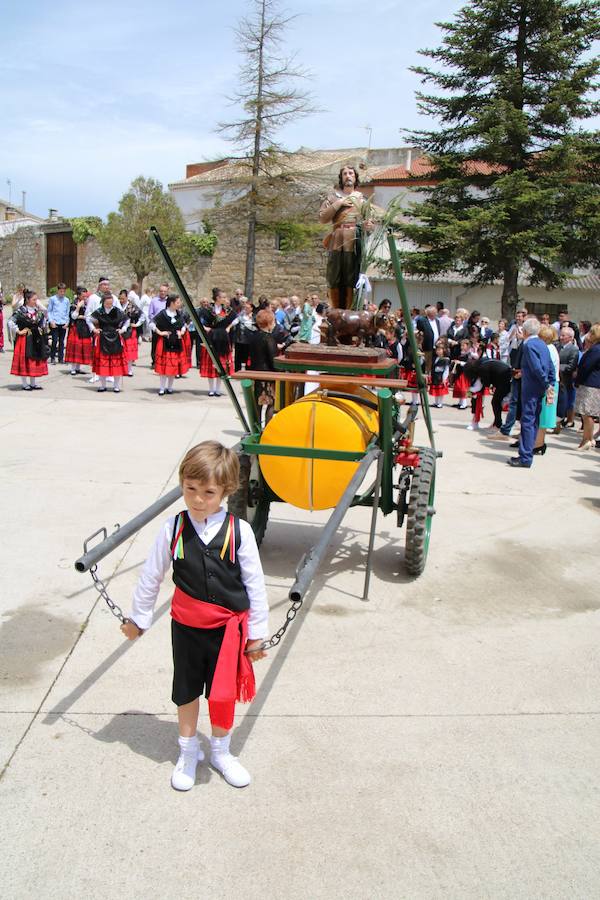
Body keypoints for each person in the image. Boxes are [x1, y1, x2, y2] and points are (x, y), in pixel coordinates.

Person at [121, 441, 268, 791]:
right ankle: (187, 750)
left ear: (226, 491)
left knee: (222, 694)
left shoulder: (240, 531)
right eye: (190, 489)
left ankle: (221, 750)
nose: (198, 499)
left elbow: (255, 586)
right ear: (182, 484)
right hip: (186, 629)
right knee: (185, 690)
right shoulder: (172, 529)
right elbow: (151, 577)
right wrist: (138, 619)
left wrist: (257, 634)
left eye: (208, 492)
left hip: (227, 632)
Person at [319, 165, 373, 309]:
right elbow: (323, 218)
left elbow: (370, 223)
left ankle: (349, 309)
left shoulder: (362, 200)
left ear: (355, 178)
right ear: (341, 178)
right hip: (337, 239)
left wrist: (369, 227)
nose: (348, 176)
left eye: (351, 173)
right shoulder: (332, 198)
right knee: (334, 274)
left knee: (351, 275)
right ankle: (335, 308)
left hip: (353, 240)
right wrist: (339, 203)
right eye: (345, 174)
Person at [508, 318, 554, 468]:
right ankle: (528, 451)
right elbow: (549, 366)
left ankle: (525, 457)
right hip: (539, 387)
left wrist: (546, 383)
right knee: (533, 421)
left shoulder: (529, 345)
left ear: (525, 331)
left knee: (527, 421)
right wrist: (550, 384)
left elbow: (536, 367)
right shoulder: (542, 344)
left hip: (532, 388)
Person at [90, 291, 130, 393]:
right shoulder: (99, 311)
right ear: (103, 302)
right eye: (107, 303)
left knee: (116, 363)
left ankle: (116, 386)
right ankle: (103, 386)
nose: (109, 305)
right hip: (103, 338)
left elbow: (127, 320)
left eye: (111, 303)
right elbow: (89, 319)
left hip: (115, 338)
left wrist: (123, 329)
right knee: (103, 363)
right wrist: (94, 329)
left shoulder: (117, 311)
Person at [200, 288, 237, 397]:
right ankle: (211, 389)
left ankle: (218, 389)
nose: (225, 299)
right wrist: (205, 328)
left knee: (222, 363)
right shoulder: (208, 309)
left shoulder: (227, 310)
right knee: (211, 362)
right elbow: (197, 319)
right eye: (223, 297)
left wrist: (229, 327)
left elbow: (236, 319)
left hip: (223, 338)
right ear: (217, 298)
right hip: (211, 337)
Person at [10, 290, 49, 390]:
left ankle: (33, 383)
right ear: (27, 300)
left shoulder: (38, 311)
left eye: (37, 299)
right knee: (25, 360)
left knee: (34, 359)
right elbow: (10, 322)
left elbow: (44, 318)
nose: (36, 301)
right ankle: (24, 384)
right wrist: (18, 331)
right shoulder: (21, 311)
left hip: (36, 338)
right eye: (34, 299)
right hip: (25, 339)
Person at [152, 294, 190, 395]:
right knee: (164, 366)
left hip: (177, 342)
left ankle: (170, 387)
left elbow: (183, 325)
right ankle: (162, 387)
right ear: (172, 303)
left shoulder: (179, 314)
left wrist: (181, 332)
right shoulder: (163, 314)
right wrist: (160, 332)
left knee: (173, 365)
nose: (179, 304)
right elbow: (151, 323)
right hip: (165, 342)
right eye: (178, 302)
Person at [248, 308, 278, 425]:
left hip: (255, 374)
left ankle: (255, 429)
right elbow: (272, 359)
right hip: (267, 375)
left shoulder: (253, 336)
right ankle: (267, 429)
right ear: (269, 323)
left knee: (257, 404)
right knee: (271, 403)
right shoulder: (269, 338)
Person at [532, 325, 559, 454]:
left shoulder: (548, 349)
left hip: (548, 384)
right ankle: (538, 442)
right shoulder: (551, 348)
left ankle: (539, 444)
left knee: (543, 416)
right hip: (550, 384)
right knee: (542, 415)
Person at [573, 323, 600, 451]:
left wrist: (578, 379)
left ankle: (587, 439)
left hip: (590, 384)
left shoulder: (596, 349)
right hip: (591, 383)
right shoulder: (595, 348)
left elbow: (586, 366)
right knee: (586, 413)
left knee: (587, 413)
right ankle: (588, 438)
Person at [555, 326, 579, 431]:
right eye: (561, 335)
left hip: (565, 380)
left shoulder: (574, 350)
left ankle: (559, 423)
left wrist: (558, 367)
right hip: (556, 378)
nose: (561, 337)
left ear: (570, 337)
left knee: (562, 402)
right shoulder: (557, 346)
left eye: (563, 335)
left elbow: (571, 366)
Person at [64, 286, 92, 375]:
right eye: (83, 296)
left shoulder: (88, 303)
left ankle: (78, 368)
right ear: (78, 295)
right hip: (76, 328)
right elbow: (73, 316)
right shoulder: (74, 304)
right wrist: (78, 308)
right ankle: (73, 368)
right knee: (75, 348)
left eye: (86, 296)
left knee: (82, 348)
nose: (85, 298)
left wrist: (83, 316)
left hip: (85, 327)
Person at [119, 289, 144, 376]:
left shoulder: (132, 306)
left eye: (123, 298)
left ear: (127, 297)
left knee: (129, 351)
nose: (121, 300)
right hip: (120, 330)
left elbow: (142, 315)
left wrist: (137, 324)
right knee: (121, 351)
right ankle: (122, 369)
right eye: (120, 298)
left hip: (130, 331)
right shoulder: (118, 305)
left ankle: (129, 370)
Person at [47, 283, 70, 364]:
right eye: (61, 291)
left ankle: (61, 358)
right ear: (58, 291)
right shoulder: (53, 299)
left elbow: (67, 312)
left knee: (62, 341)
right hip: (55, 322)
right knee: (54, 340)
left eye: (64, 291)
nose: (62, 293)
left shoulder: (66, 300)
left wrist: (67, 322)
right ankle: (52, 357)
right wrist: (51, 321)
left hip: (63, 322)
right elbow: (49, 311)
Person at [415, 305, 441, 374]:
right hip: (426, 347)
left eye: (436, 312)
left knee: (433, 365)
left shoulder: (437, 321)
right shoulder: (422, 320)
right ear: (429, 313)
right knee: (426, 365)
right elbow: (419, 332)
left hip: (436, 346)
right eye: (434, 312)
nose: (436, 314)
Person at [148, 283, 170, 364]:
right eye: (161, 291)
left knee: (165, 344)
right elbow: (150, 314)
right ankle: (154, 361)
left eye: (164, 291)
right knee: (155, 344)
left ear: (167, 291)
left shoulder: (169, 301)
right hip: (156, 325)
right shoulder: (154, 301)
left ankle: (164, 361)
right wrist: (155, 322)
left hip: (167, 326)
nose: (162, 293)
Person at [429, 343, 450, 408]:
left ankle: (440, 403)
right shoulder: (435, 358)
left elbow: (446, 370)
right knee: (436, 390)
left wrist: (444, 378)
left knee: (440, 391)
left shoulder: (446, 359)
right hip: (435, 376)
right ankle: (436, 402)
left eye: (440, 350)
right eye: (437, 350)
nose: (438, 351)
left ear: (444, 350)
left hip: (441, 376)